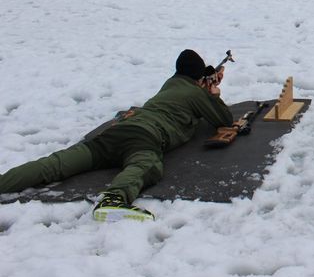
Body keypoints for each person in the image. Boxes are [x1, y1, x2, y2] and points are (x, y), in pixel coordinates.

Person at [0, 50, 234, 221]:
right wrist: (213, 94)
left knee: (55, 163)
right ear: (198, 78)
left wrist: (203, 85)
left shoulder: (169, 84)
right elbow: (223, 119)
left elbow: (185, 92)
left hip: (116, 132)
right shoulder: (196, 93)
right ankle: (114, 199)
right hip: (146, 137)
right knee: (146, 165)